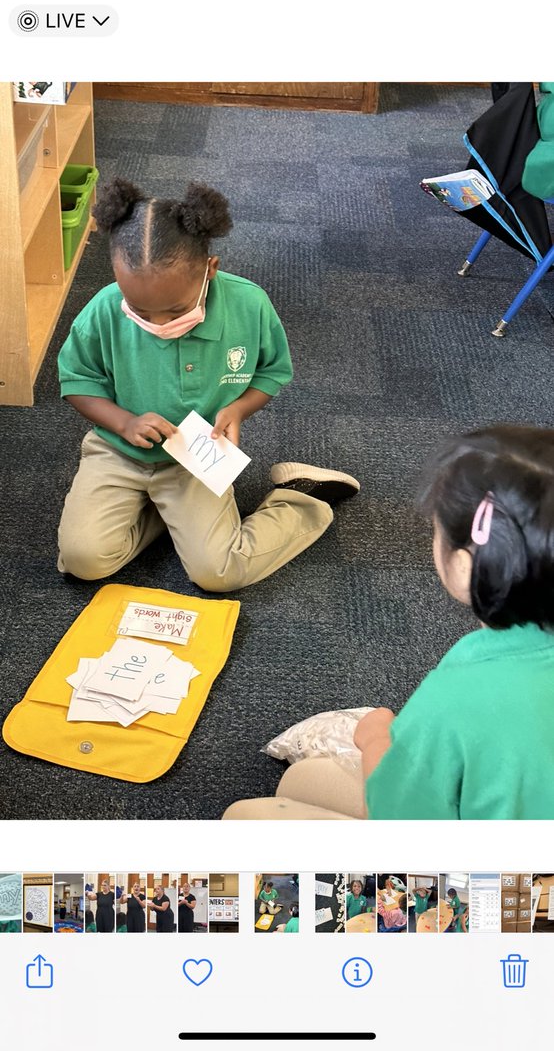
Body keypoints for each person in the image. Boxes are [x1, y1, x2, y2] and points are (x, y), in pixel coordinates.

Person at [57, 178, 360, 592]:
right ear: (116, 277)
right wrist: (124, 423)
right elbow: (77, 380)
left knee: (218, 573)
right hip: (118, 451)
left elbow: (270, 372)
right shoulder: (103, 310)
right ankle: (167, 515)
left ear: (209, 270)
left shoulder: (249, 304)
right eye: (140, 309)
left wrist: (238, 409)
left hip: (195, 459)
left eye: (176, 310)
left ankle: (302, 498)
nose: (158, 325)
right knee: (83, 561)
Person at [354, 425, 554, 820]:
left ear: (464, 568)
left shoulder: (454, 699)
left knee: (253, 812)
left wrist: (374, 737)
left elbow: (398, 822)